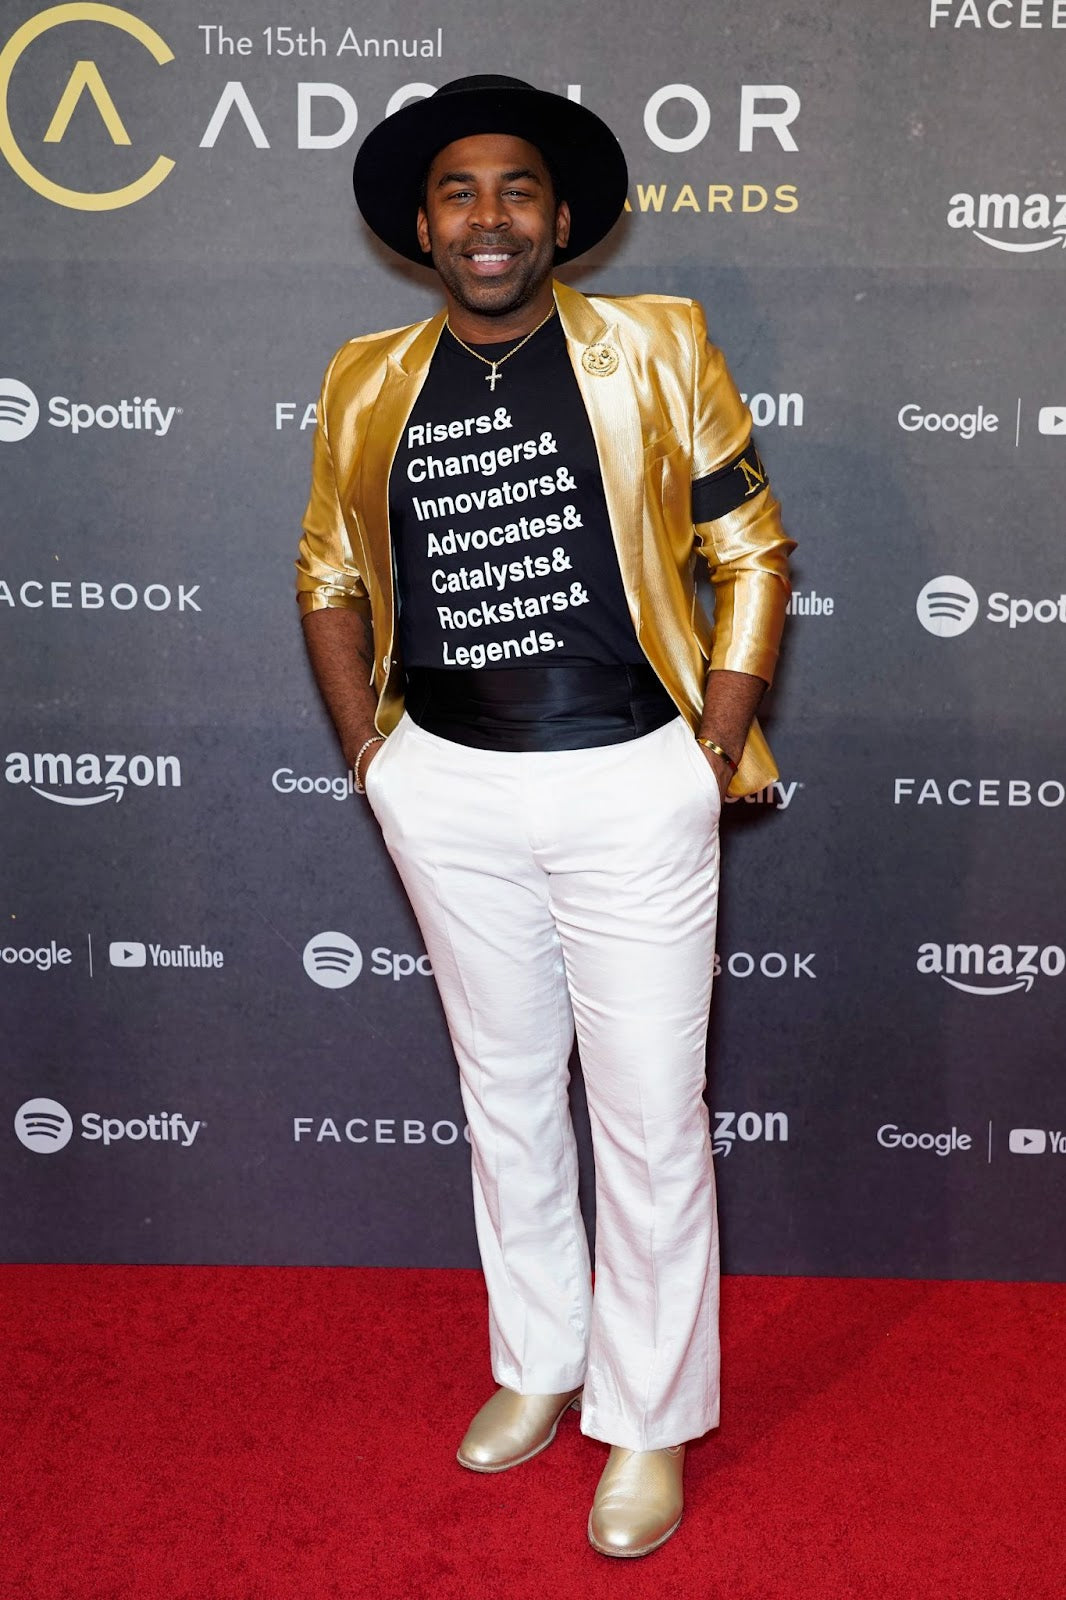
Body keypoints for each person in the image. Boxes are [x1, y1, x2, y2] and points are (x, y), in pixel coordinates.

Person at [296, 75, 793, 1558]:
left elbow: (748, 545)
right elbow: (328, 576)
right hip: (441, 783)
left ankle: (643, 1419)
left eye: (516, 190)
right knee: (505, 1094)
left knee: (646, 1120)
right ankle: (539, 1360)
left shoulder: (657, 345)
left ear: (562, 218)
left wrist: (707, 743)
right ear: (422, 228)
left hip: (627, 776)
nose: (489, 217)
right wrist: (371, 759)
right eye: (460, 193)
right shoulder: (363, 377)